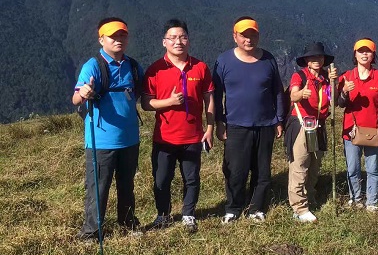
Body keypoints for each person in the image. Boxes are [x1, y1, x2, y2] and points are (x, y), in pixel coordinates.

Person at [73, 17, 143, 240]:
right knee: (98, 189)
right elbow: (76, 98)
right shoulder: (93, 65)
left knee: (127, 185)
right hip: (101, 140)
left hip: (129, 138)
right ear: (101, 39)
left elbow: (143, 92)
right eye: (113, 36)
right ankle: (91, 233)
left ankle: (128, 224)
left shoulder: (132, 65)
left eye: (122, 35)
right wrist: (83, 93)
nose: (118, 40)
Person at [142, 19, 215, 233]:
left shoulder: (200, 67)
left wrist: (210, 128)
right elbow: (146, 103)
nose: (178, 42)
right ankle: (163, 215)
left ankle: (188, 214)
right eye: (172, 38)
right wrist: (170, 102)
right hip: (164, 137)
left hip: (193, 136)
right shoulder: (155, 69)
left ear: (188, 40)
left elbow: (209, 99)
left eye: (182, 37)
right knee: (162, 179)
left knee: (191, 178)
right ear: (164, 42)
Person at [212, 17, 285, 223]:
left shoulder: (268, 59)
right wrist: (219, 121)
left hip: (265, 123)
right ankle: (233, 208)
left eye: (253, 34)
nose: (249, 39)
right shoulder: (223, 61)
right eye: (244, 35)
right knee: (235, 170)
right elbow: (216, 95)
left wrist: (279, 118)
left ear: (258, 35)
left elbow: (277, 91)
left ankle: (256, 208)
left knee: (262, 170)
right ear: (235, 36)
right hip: (236, 124)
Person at [337, 38, 378, 211]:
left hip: (374, 130)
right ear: (354, 54)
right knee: (353, 168)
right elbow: (340, 104)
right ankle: (355, 198)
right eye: (360, 51)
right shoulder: (346, 77)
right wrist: (345, 92)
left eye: (368, 51)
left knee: (373, 168)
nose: (364, 54)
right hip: (351, 131)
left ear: (373, 55)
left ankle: (371, 202)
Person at [286, 42, 337, 222]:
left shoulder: (326, 78)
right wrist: (301, 94)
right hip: (302, 124)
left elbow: (333, 100)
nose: (317, 60)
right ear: (307, 60)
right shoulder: (299, 76)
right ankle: (299, 208)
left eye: (320, 57)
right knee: (300, 165)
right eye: (313, 57)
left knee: (315, 164)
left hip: (319, 125)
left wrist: (334, 83)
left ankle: (310, 196)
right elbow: (292, 95)